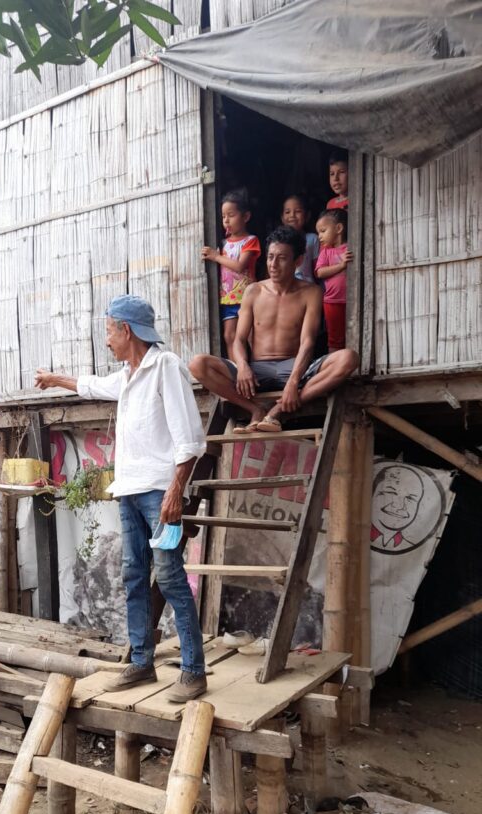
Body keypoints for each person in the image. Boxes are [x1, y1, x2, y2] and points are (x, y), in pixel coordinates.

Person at [34, 295, 208, 701]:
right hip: (129, 492)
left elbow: (190, 440)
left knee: (169, 577)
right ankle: (142, 664)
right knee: (133, 577)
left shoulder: (165, 367)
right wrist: (55, 379)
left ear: (126, 330)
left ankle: (194, 672)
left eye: (109, 331)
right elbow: (92, 385)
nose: (107, 339)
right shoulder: (129, 375)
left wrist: (174, 493)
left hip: (159, 494)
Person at [188, 226, 358, 434]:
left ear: (298, 261)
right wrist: (242, 366)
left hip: (295, 368)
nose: (273, 265)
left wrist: (294, 382)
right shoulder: (254, 291)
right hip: (257, 371)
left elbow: (308, 342)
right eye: (270, 257)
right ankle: (255, 410)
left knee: (348, 358)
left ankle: (278, 409)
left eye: (282, 258)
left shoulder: (311, 293)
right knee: (198, 364)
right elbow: (239, 340)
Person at [201, 190, 261, 359]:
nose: (226, 220)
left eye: (231, 215)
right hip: (228, 297)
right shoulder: (222, 243)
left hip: (247, 297)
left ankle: (258, 370)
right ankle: (236, 372)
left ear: (246, 217)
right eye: (223, 216)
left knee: (250, 336)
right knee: (229, 335)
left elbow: (241, 266)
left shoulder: (250, 240)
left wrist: (216, 256)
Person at [315, 208, 351, 352]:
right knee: (335, 339)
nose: (319, 236)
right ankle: (333, 368)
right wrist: (341, 265)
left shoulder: (351, 248)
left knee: (354, 334)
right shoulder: (326, 252)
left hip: (352, 300)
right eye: (318, 233)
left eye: (323, 231)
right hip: (332, 301)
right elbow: (320, 272)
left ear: (338, 228)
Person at [281, 193, 320, 285]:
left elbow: (317, 269)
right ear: (282, 217)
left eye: (298, 211)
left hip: (307, 288)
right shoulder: (278, 241)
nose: (292, 215)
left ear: (307, 215)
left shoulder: (312, 239)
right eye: (287, 212)